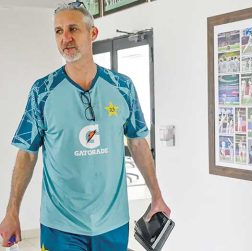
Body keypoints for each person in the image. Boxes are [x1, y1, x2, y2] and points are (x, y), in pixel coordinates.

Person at [0, 3, 170, 251]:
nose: (65, 38)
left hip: (113, 223)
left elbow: (137, 142)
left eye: (72, 29)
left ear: (93, 33)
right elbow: (27, 153)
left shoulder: (122, 87)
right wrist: (12, 211)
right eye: (58, 31)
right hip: (60, 226)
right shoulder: (42, 91)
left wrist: (156, 195)